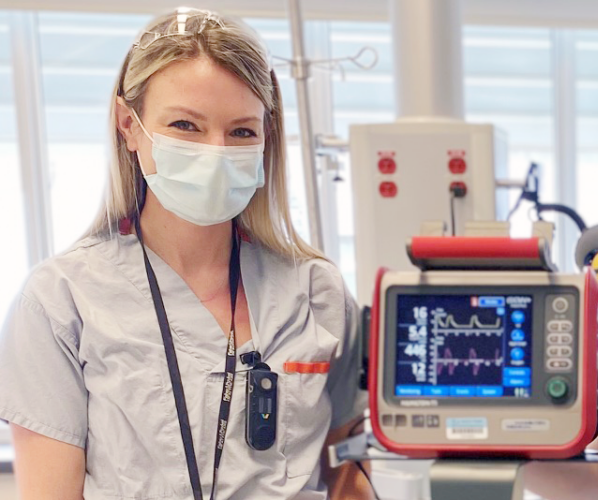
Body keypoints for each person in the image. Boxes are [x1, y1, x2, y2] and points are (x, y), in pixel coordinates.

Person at [0, 8, 371, 499]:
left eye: (241, 132)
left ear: (266, 139)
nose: (216, 152)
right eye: (186, 126)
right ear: (128, 125)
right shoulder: (61, 302)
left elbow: (347, 469)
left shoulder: (316, 292)